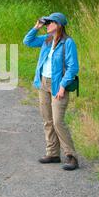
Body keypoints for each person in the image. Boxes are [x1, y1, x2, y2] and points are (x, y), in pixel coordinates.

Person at [23, 12, 80, 171]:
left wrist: (62, 86)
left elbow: (73, 67)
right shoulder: (46, 40)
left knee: (57, 121)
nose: (47, 25)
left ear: (59, 25)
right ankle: (53, 153)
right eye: (46, 23)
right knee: (47, 120)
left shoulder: (68, 43)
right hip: (43, 83)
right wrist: (36, 26)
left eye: (50, 22)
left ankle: (71, 156)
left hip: (57, 85)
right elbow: (27, 41)